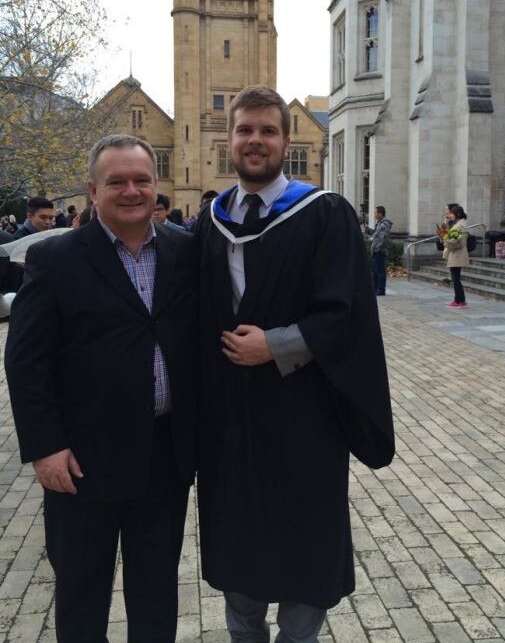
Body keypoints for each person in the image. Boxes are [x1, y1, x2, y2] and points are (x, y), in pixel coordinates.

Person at [193, 86, 394, 643]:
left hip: (305, 416)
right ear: (227, 140)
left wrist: (276, 344)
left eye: (268, 130)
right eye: (244, 130)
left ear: (286, 140)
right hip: (231, 421)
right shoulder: (209, 223)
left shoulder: (323, 213)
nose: (255, 140)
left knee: (307, 539)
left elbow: (348, 309)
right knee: (239, 542)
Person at [5, 134, 197, 643]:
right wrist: (45, 447)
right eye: (117, 181)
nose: (131, 191)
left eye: (141, 180)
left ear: (157, 188)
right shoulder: (56, 259)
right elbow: (26, 362)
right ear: (93, 190)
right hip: (81, 464)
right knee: (82, 594)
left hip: (164, 457)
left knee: (156, 591)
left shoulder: (185, 251)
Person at [442, 204, 469, 308]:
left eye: (452, 213)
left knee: (456, 279)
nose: (450, 215)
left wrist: (444, 235)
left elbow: (452, 240)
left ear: (457, 214)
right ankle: (460, 300)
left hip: (457, 253)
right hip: (457, 253)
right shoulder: (460, 224)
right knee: (456, 278)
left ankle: (459, 300)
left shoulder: (459, 225)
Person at [367, 205, 393, 296]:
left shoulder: (384, 224)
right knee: (375, 271)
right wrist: (368, 229)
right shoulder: (379, 223)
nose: (374, 214)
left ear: (380, 214)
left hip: (380, 251)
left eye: (375, 212)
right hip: (376, 250)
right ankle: (375, 288)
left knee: (379, 271)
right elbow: (376, 235)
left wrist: (377, 248)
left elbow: (382, 239)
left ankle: (380, 290)